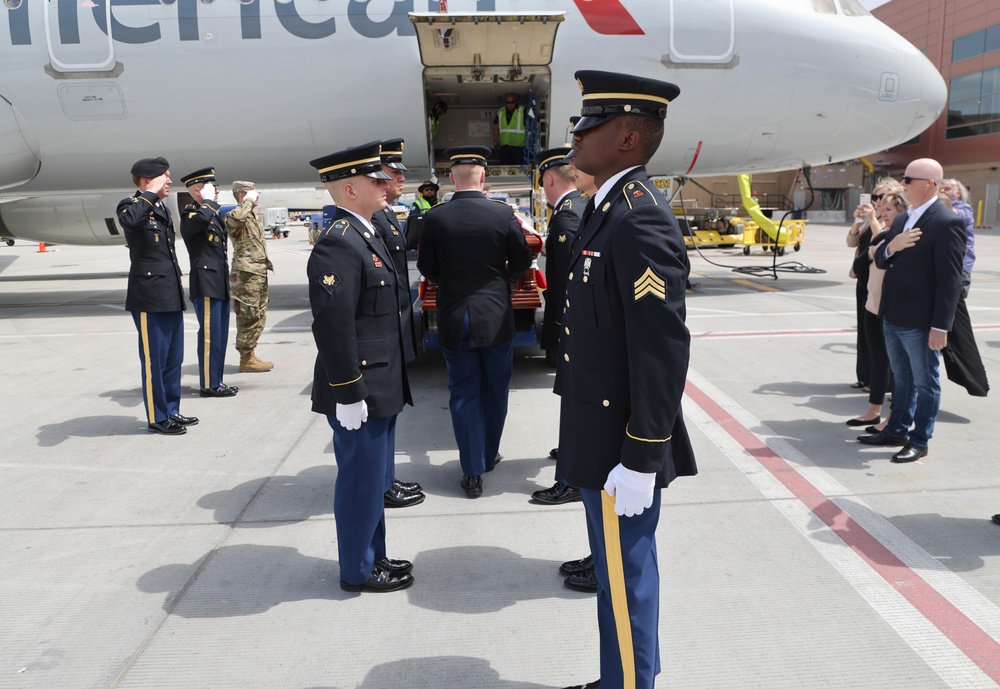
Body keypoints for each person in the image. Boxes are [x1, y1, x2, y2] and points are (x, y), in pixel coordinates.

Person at [554, 70, 697, 689]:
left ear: (629, 138)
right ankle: (624, 678)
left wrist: (643, 454)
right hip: (598, 428)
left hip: (621, 442)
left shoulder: (637, 217)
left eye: (590, 126)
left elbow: (660, 345)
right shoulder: (606, 207)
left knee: (624, 574)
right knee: (616, 573)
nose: (576, 136)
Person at [307, 141, 414, 593]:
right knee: (358, 485)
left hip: (380, 382)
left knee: (372, 484)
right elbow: (333, 328)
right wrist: (348, 393)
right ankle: (358, 569)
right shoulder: (339, 246)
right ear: (350, 190)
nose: (385, 184)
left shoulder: (366, 234)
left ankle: (376, 556)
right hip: (360, 389)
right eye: (376, 179)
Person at [417, 145, 531, 498]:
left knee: (463, 393)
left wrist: (449, 280)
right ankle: (489, 453)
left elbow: (426, 267)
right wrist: (503, 277)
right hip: (495, 314)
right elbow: (523, 259)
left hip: (454, 316)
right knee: (496, 388)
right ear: (484, 177)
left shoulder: (435, 217)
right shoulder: (502, 214)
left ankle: (471, 471)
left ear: (452, 178)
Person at [860, 158, 967, 463]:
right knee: (902, 378)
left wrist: (941, 326)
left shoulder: (948, 222)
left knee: (925, 381)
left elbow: (950, 282)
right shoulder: (905, 218)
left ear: (929, 184)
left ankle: (919, 439)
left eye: (908, 179)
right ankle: (896, 429)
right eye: (903, 178)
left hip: (921, 321)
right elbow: (880, 259)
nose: (902, 184)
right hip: (893, 314)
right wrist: (894, 246)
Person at [116, 157, 198, 436]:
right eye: (164, 177)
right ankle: (157, 416)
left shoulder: (160, 209)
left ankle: (171, 410)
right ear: (146, 181)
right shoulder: (131, 205)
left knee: (173, 359)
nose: (170, 182)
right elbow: (129, 222)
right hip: (149, 297)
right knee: (155, 360)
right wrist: (149, 193)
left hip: (170, 293)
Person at [371, 138, 425, 510]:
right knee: (383, 415)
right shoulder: (374, 216)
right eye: (394, 175)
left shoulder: (389, 213)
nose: (401, 180)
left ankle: (387, 478)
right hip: (384, 328)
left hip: (396, 322)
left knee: (391, 415)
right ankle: (383, 483)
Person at [531, 146, 584, 507]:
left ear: (548, 179)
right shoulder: (581, 207)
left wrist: (558, 330)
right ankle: (571, 451)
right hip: (583, 327)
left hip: (574, 328)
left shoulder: (565, 218)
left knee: (575, 401)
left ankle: (571, 477)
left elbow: (566, 286)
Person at [846, 186, 906, 427]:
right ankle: (873, 411)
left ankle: (893, 419)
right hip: (872, 305)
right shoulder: (882, 235)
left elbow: (882, 263)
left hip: (891, 308)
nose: (883, 210)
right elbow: (856, 267)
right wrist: (873, 250)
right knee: (878, 360)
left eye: (888, 208)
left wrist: (875, 252)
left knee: (900, 367)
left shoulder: (903, 236)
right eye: (881, 206)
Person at [178, 167, 238, 398]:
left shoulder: (211, 214)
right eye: (210, 187)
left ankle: (216, 380)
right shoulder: (192, 214)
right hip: (205, 282)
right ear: (197, 190)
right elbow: (196, 225)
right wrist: (206, 202)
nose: (216, 192)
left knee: (220, 335)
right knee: (210, 335)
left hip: (219, 282)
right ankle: (209, 384)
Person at [225, 181, 274, 373]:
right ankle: (245, 358)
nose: (256, 198)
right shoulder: (235, 215)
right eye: (251, 194)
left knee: (258, 315)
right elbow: (236, 219)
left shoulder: (252, 217)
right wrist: (246, 202)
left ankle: (250, 354)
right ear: (241, 196)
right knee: (248, 315)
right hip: (245, 275)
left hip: (257, 273)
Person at [939, 178, 975, 297]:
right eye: (941, 188)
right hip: (944, 265)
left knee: (957, 308)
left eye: (947, 189)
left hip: (960, 268)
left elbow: (956, 215)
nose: (942, 190)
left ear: (958, 193)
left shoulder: (964, 208)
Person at [493, 92, 527, 166]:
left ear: (515, 101)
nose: (510, 104)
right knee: (504, 168)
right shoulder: (500, 112)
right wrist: (495, 140)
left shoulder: (522, 111)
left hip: (518, 146)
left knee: (518, 168)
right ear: (505, 102)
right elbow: (496, 126)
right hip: (505, 145)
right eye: (508, 102)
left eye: (512, 102)